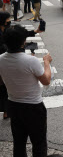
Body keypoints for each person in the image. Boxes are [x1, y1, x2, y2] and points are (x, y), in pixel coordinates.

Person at [0, 24, 51, 157]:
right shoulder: (31, 61)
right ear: (23, 42)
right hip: (34, 107)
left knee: (19, 142)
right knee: (39, 143)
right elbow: (46, 81)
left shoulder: (0, 59)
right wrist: (46, 62)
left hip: (13, 105)